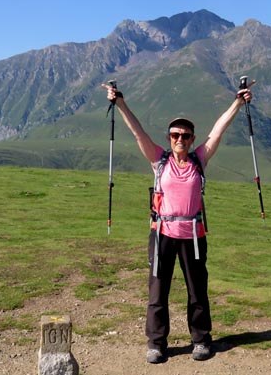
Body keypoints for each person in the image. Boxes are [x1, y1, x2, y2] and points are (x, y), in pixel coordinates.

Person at [102, 81, 253, 364]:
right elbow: (138, 132)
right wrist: (120, 103)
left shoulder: (199, 160)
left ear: (193, 138)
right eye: (174, 135)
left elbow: (218, 130)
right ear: (169, 138)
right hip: (162, 234)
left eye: (185, 135)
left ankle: (201, 340)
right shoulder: (159, 160)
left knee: (197, 291)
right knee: (158, 291)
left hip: (193, 236)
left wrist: (238, 103)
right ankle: (157, 344)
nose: (179, 139)